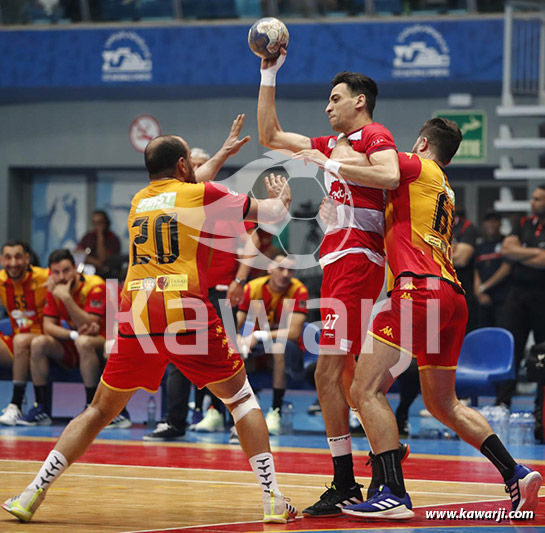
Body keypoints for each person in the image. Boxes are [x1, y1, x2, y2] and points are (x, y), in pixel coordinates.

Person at [3, 134, 298, 525]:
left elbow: (191, 185)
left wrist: (224, 154)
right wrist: (285, 200)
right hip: (183, 306)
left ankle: (31, 493)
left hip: (137, 309)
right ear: (181, 166)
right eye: (189, 160)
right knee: (241, 399)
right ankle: (273, 498)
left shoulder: (140, 201)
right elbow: (271, 215)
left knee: (98, 411)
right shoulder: (202, 195)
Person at [294, 117, 542, 519]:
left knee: (364, 389)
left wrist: (330, 158)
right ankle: (515, 472)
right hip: (451, 298)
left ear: (423, 143)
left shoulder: (411, 164)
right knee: (445, 404)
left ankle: (392, 490)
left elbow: (371, 164)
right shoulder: (444, 186)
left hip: (416, 290)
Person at [257, 49, 401, 516]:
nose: (327, 106)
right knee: (346, 376)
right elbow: (270, 134)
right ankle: (383, 461)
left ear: (359, 101)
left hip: (359, 259)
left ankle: (347, 479)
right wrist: (268, 73)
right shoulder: (332, 142)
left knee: (328, 372)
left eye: (335, 99)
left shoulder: (372, 135)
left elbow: (390, 174)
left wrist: (333, 164)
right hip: (339, 261)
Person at [144, 117, 255, 441]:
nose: (195, 171)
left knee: (228, 354)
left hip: (219, 292)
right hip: (184, 292)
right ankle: (174, 421)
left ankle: (235, 421)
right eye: (192, 165)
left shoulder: (219, 203)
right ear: (182, 168)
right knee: (179, 357)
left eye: (201, 166)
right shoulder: (176, 204)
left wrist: (239, 281)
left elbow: (250, 245)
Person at [17, 249, 108, 427]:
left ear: (75, 268)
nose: (62, 276)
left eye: (66, 270)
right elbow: (48, 327)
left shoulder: (95, 285)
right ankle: (40, 408)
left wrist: (66, 298)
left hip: (101, 342)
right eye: (56, 272)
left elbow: (90, 325)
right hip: (75, 341)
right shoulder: (55, 288)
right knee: (39, 342)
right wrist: (72, 334)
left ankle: (90, 406)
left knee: (84, 342)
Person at [237, 254, 309, 435]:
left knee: (278, 347)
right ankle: (237, 409)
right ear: (270, 268)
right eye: (281, 268)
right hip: (260, 345)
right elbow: (236, 324)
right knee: (235, 348)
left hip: (290, 348)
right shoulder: (252, 288)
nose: (285, 274)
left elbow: (293, 333)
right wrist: (238, 337)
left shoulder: (299, 290)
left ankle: (275, 412)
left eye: (290, 270)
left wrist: (258, 335)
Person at [498, 185, 545, 430]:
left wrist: (520, 252)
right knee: (510, 350)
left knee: (541, 354)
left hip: (542, 296)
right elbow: (507, 251)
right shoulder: (523, 223)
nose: (532, 202)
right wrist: (534, 253)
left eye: (537, 199)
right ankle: (502, 403)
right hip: (517, 296)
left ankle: (541, 409)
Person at [0, 241, 49, 425]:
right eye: (8, 257)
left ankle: (16, 404)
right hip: (18, 345)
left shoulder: (45, 277)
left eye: (18, 257)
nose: (13, 263)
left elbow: (77, 280)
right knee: (19, 340)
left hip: (46, 342)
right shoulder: (1, 281)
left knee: (21, 340)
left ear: (27, 259)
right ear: (2, 260)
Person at [474, 210, 511, 328]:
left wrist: (484, 287)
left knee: (502, 332)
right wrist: (479, 292)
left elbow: (506, 269)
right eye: (488, 221)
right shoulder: (480, 244)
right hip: (483, 300)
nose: (491, 224)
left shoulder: (507, 242)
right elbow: (476, 270)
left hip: (503, 299)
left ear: (500, 223)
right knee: (483, 334)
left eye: (494, 221)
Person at [452, 205, 479, 332]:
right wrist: (452, 249)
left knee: (461, 331)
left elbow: (461, 259)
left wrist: (436, 253)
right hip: (437, 287)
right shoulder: (434, 225)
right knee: (436, 338)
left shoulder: (466, 227)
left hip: (462, 289)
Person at [76, 210, 121, 279]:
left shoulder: (113, 239)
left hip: (109, 275)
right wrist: (97, 263)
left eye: (99, 223)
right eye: (94, 223)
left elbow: (103, 259)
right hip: (90, 275)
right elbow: (78, 255)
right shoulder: (88, 237)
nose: (97, 226)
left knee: (112, 288)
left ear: (106, 223)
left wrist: (100, 236)